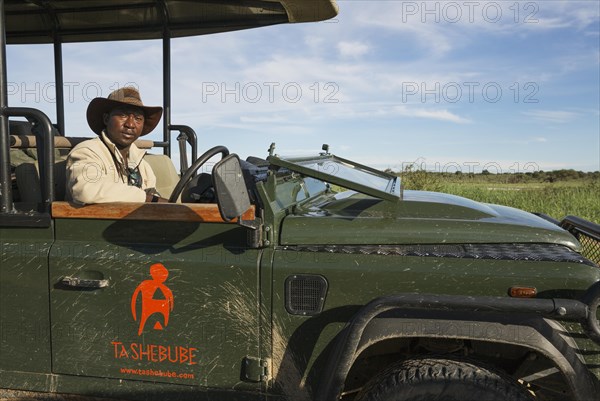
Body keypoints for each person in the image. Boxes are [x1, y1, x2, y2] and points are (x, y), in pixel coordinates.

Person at [66, 87, 168, 204]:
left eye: (138, 118)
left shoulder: (143, 165)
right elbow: (86, 191)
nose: (130, 124)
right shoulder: (87, 152)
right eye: (123, 115)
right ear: (106, 118)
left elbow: (154, 204)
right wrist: (147, 198)